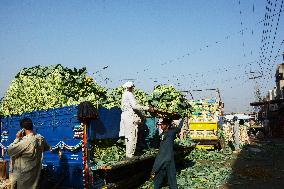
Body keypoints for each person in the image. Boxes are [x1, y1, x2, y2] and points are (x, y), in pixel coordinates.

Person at [7, 118, 50, 189]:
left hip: (23, 179)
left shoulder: (25, 141)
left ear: (23, 129)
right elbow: (46, 148)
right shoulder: (40, 138)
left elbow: (9, 151)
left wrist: (17, 139)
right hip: (35, 176)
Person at [119, 81, 153, 159]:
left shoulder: (124, 94)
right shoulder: (130, 94)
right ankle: (130, 155)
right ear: (130, 87)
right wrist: (147, 108)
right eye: (132, 87)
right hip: (129, 117)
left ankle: (128, 154)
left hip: (124, 116)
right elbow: (135, 106)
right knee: (132, 136)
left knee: (128, 136)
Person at [151, 117, 183, 189]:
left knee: (171, 178)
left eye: (163, 124)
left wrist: (179, 119)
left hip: (168, 159)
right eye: (160, 124)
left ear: (168, 125)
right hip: (162, 158)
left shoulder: (171, 133)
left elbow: (178, 128)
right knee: (158, 177)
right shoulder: (162, 133)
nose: (161, 126)